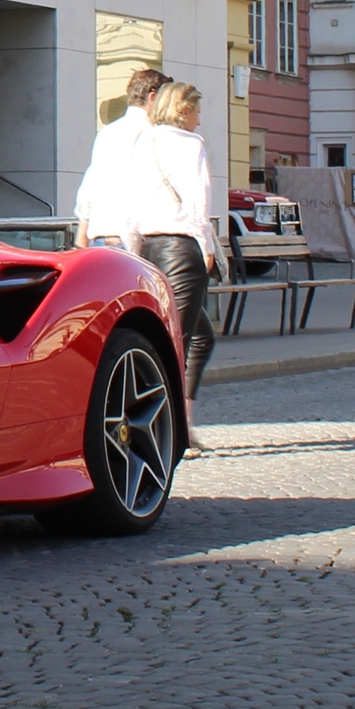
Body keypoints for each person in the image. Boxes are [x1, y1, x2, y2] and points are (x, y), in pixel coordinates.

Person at [133, 82, 220, 450]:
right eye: (197, 112)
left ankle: (182, 423)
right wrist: (206, 245)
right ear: (183, 111)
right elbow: (200, 202)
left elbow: (130, 199)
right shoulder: (190, 145)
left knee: (196, 336)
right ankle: (167, 431)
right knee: (178, 342)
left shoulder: (144, 141)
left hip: (150, 246)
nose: (200, 121)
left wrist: (133, 247)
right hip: (182, 248)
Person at [74, 68, 171, 246]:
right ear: (152, 97)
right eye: (167, 102)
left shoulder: (107, 132)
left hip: (99, 236)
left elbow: (90, 185)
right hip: (132, 239)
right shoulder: (153, 135)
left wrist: (81, 237)